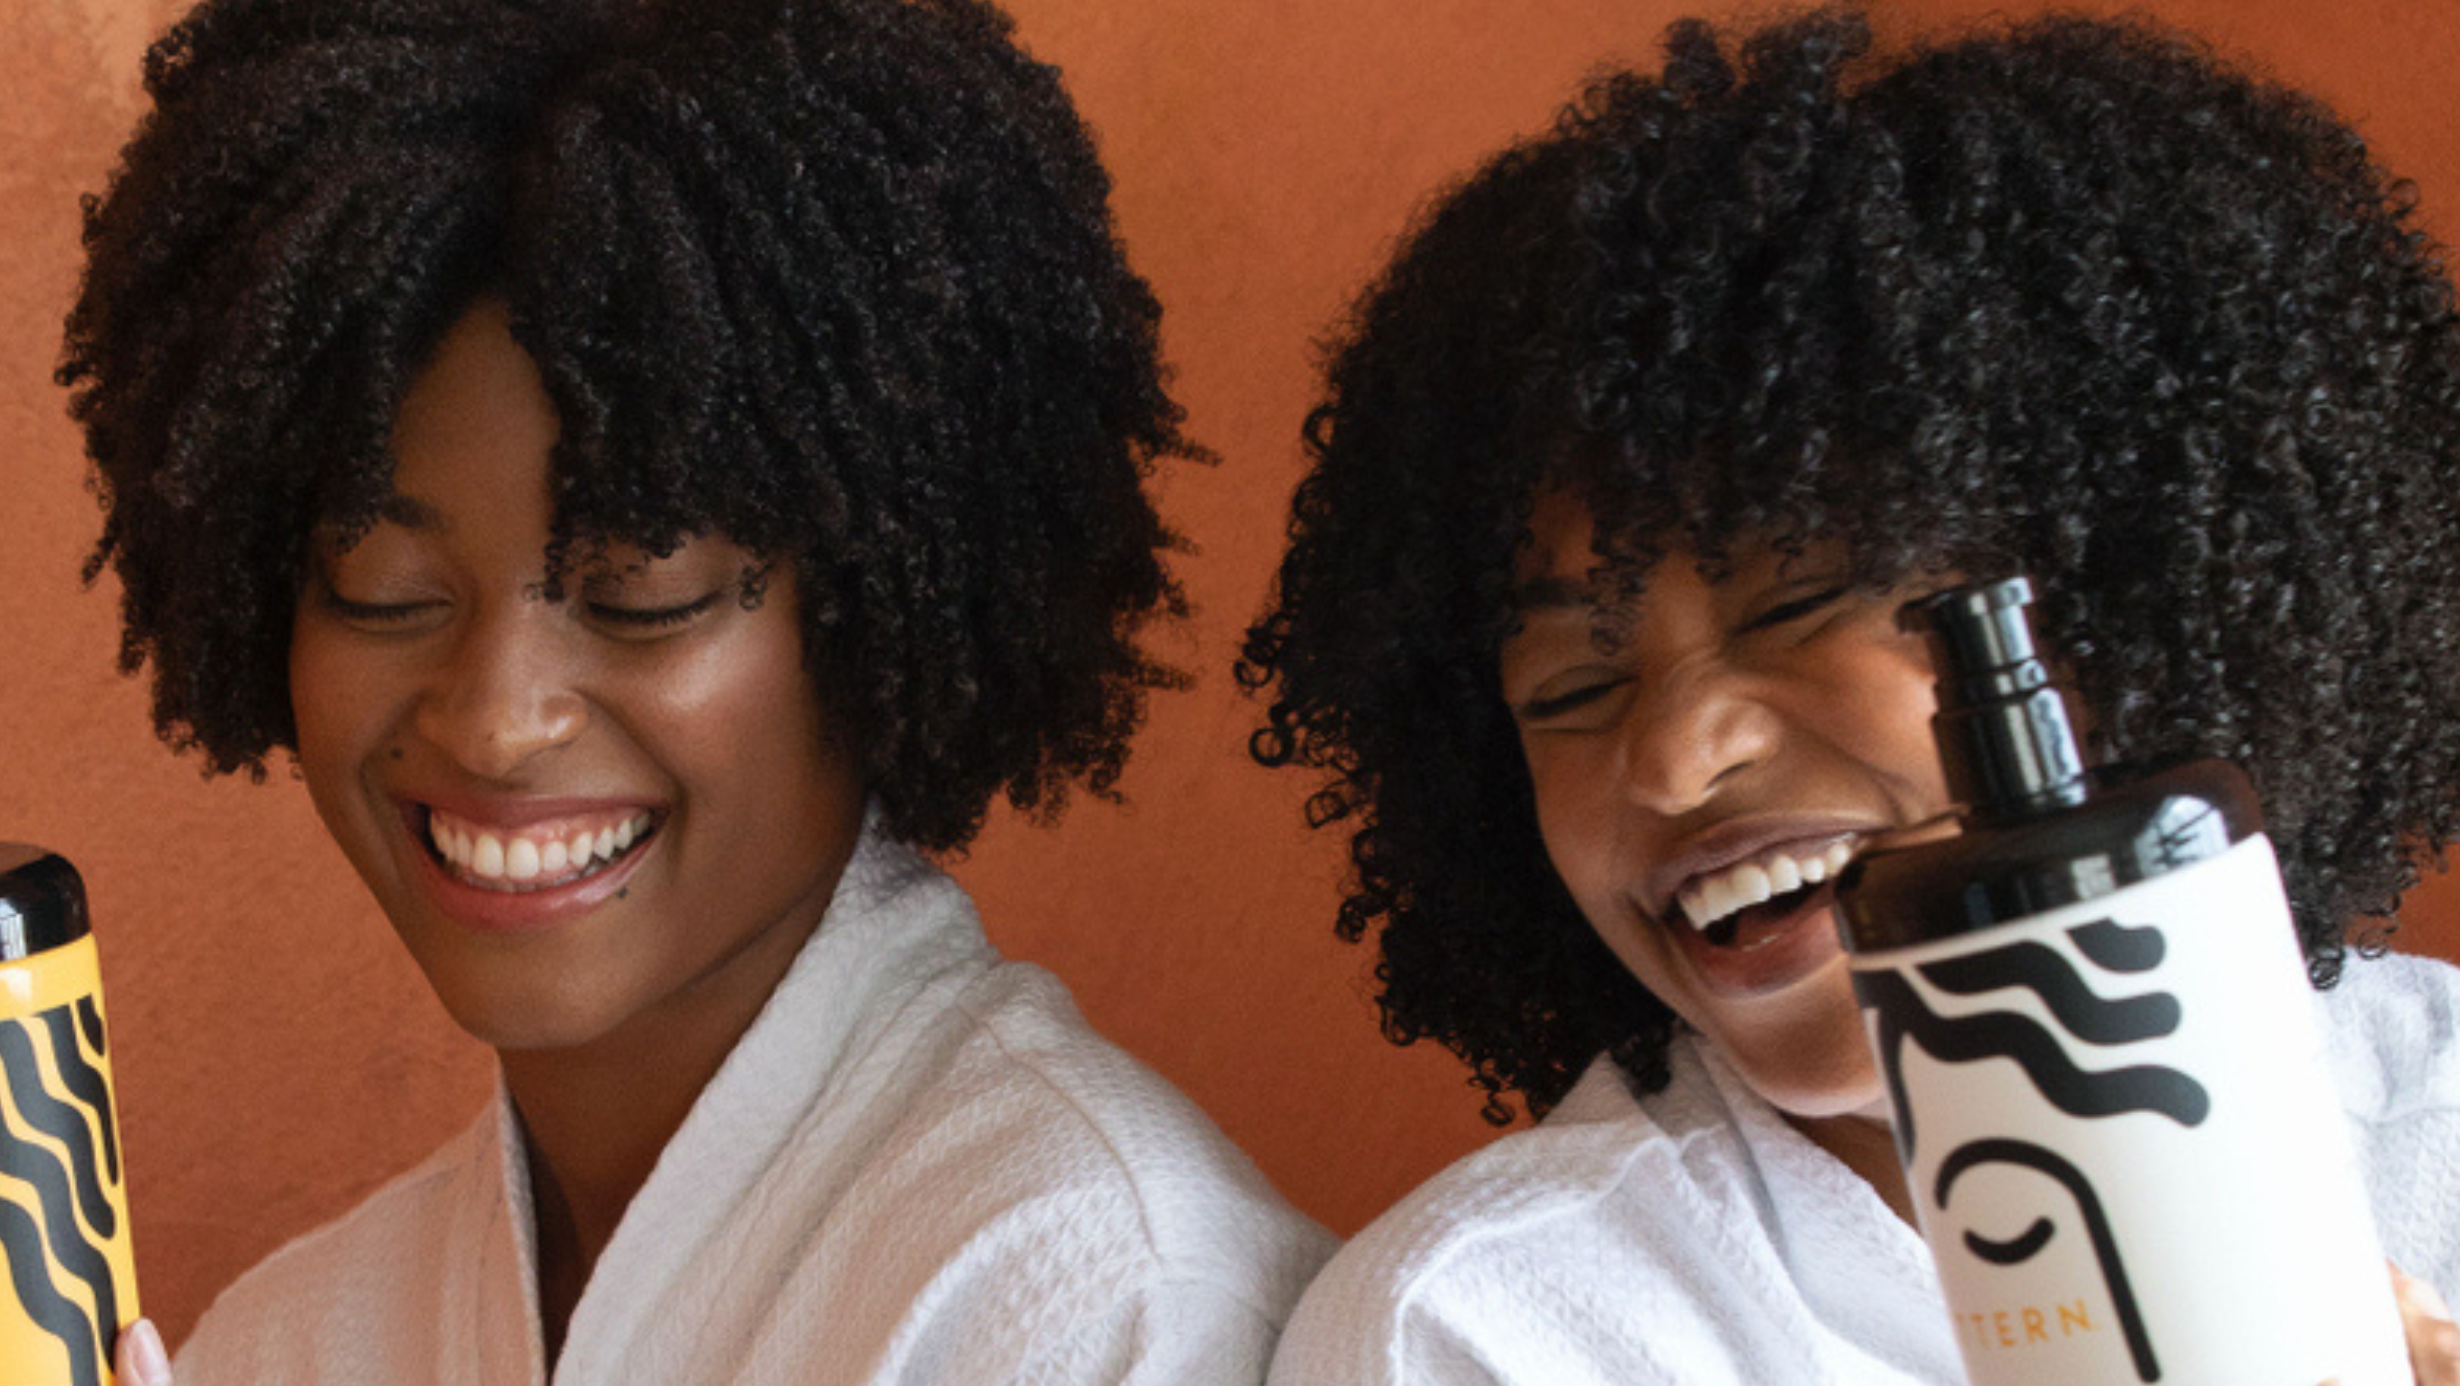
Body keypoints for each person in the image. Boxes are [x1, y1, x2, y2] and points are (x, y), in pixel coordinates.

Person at [60, 0, 1333, 1380]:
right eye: (381, 587)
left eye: (643, 593)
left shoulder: (1112, 1306)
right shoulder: (287, 1342)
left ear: (880, 605)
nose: (496, 718)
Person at [1241, 9, 2460, 1383]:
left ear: (2127, 594)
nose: (1676, 756)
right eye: (1574, 686)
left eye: (1797, 605)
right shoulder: (1487, 1331)